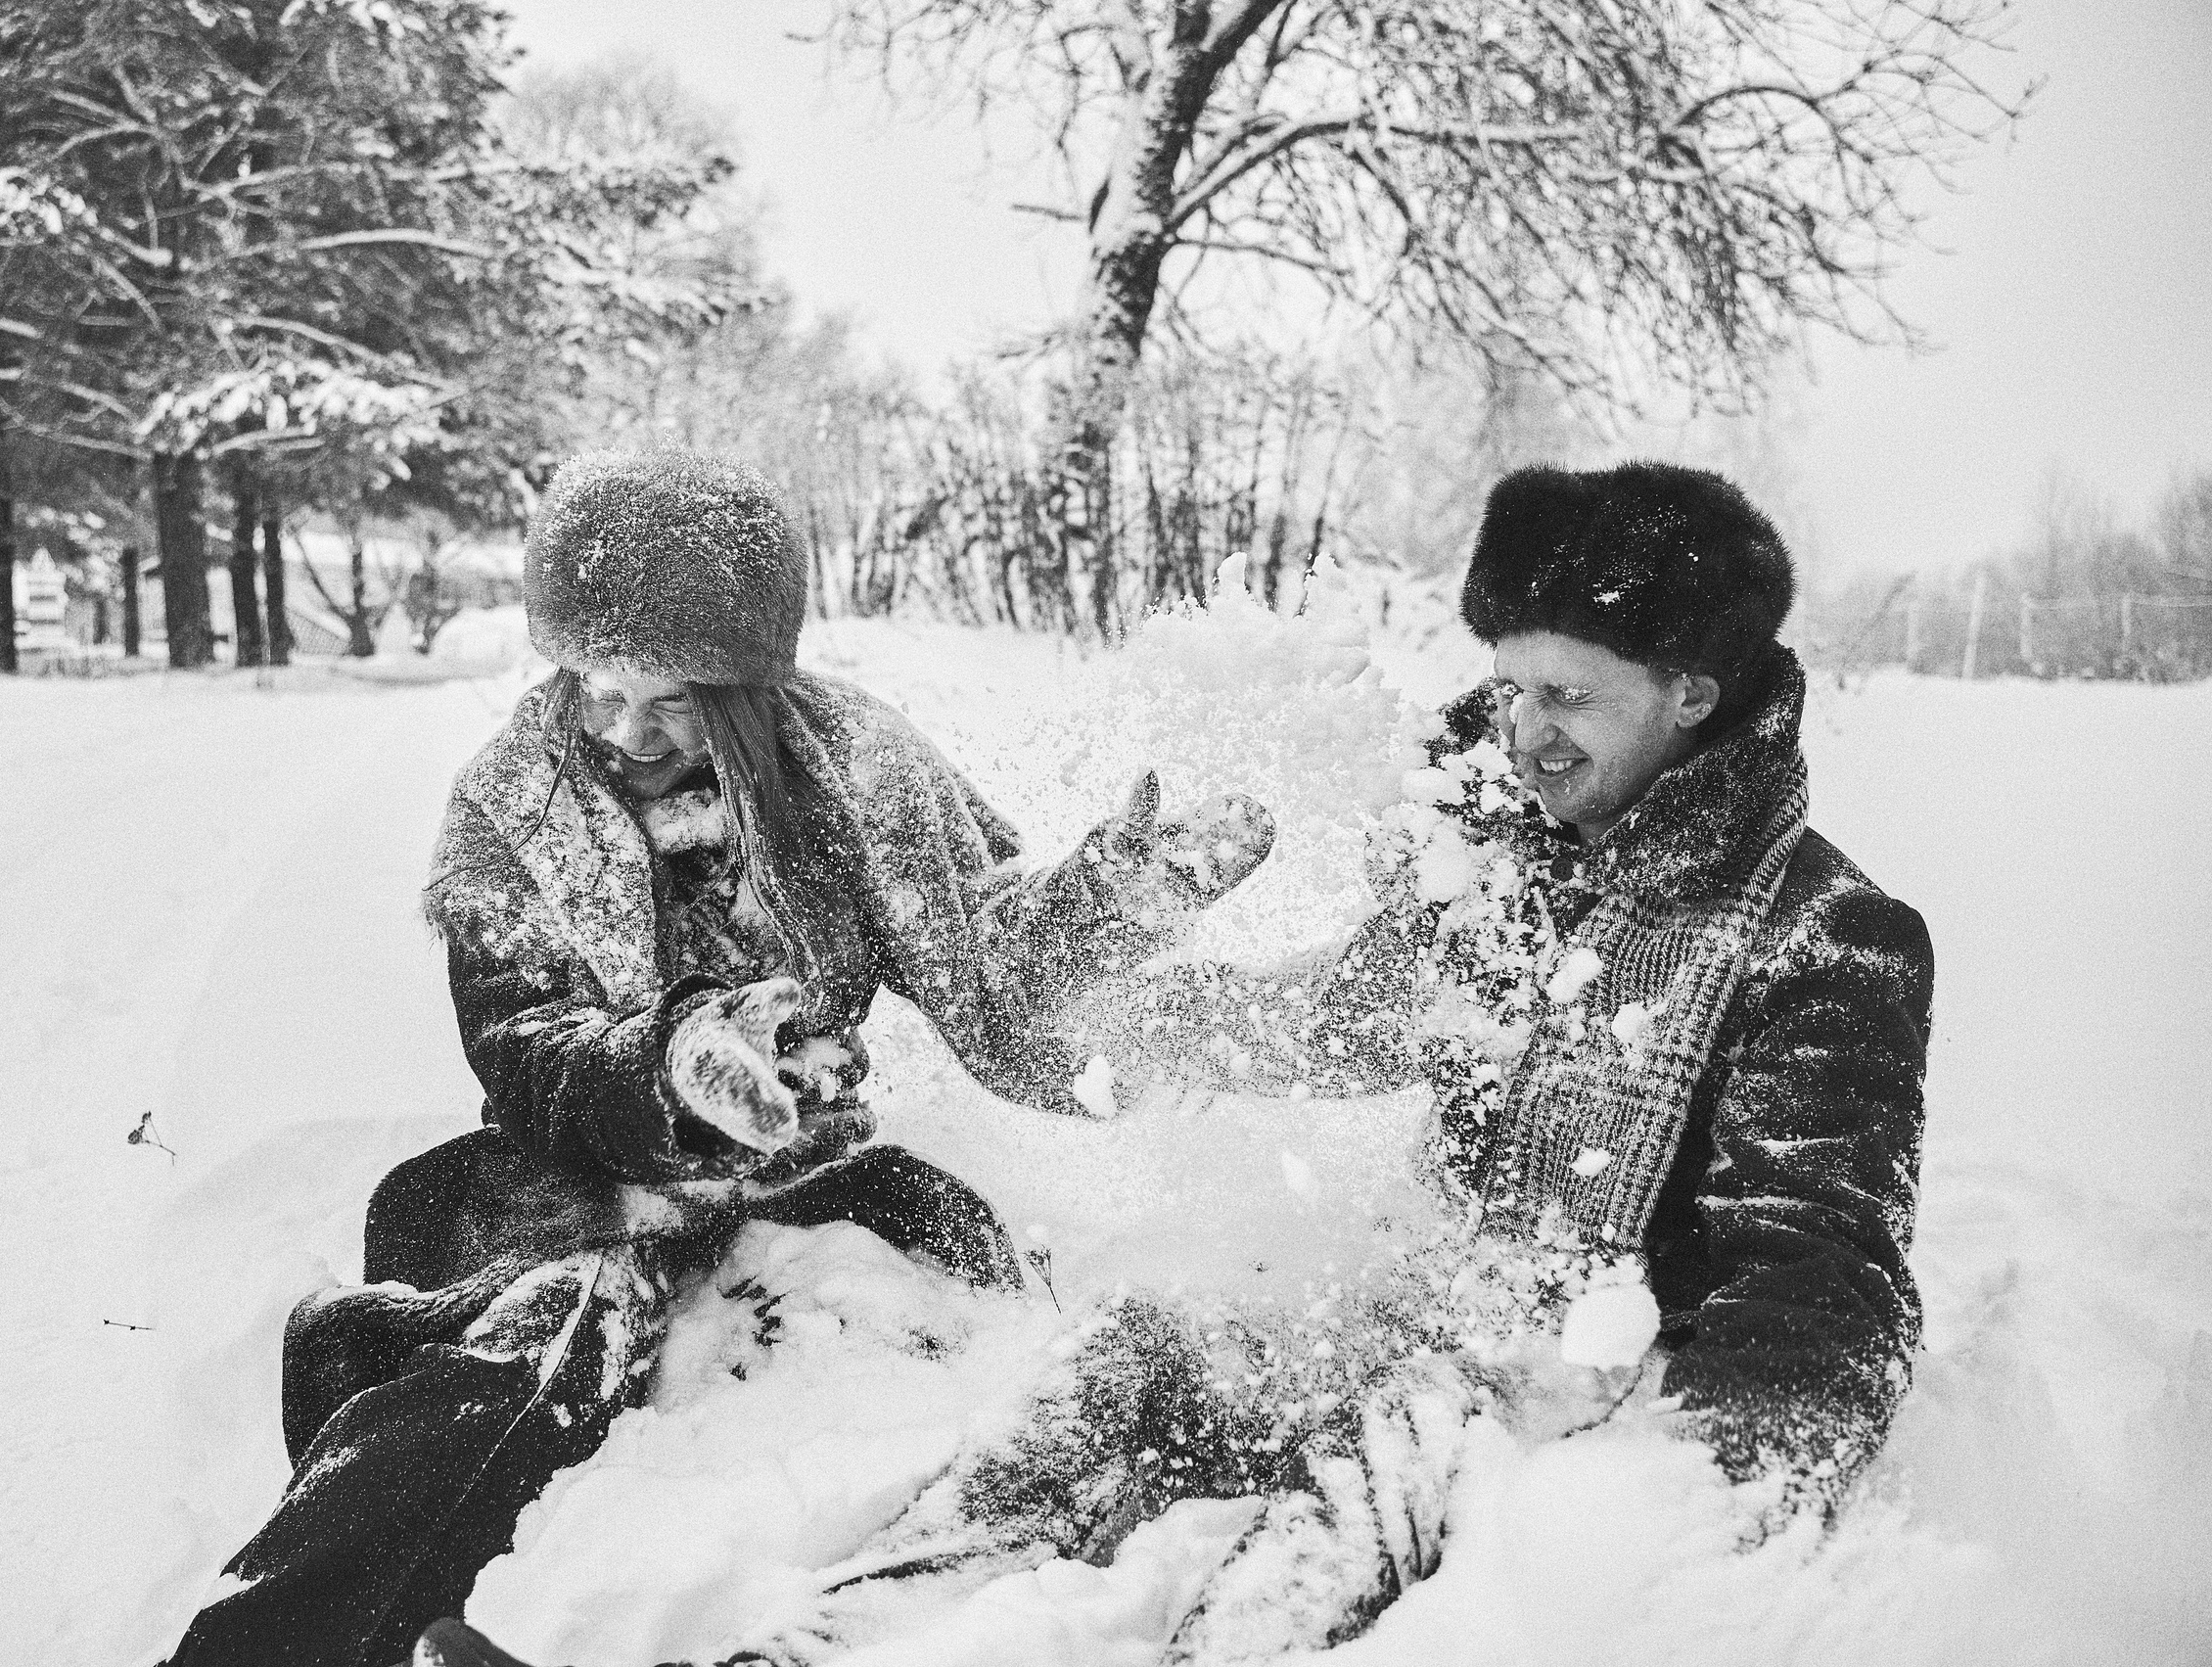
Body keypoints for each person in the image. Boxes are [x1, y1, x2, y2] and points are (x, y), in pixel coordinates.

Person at [700, 461, 1937, 1664]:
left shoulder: (1821, 937)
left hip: (1576, 1382)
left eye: (1567, 696)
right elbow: (1351, 1015)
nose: (1524, 732)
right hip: (1420, 1307)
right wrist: (1134, 1013)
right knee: (1136, 1351)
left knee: (1327, 1532)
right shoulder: (1503, 860)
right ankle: (830, 1637)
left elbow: (1819, 1287)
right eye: (1508, 688)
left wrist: (1685, 1518)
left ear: (1692, 693)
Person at [164, 450, 1275, 1667]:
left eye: (669, 697)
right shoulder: (507, 812)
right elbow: (529, 1052)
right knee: (513, 1368)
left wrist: (1111, 896)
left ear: (747, 688)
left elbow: (991, 986)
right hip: (570, 1185)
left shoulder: (855, 768)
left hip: (816, 1176)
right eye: (594, 685)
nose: (621, 729)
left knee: (1029, 1357)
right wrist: (678, 1063)